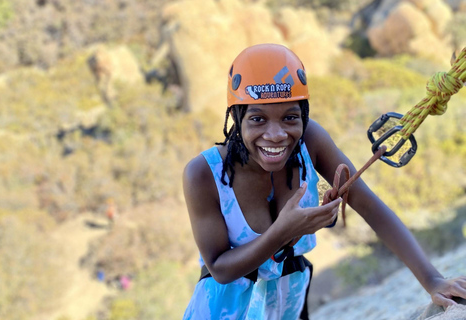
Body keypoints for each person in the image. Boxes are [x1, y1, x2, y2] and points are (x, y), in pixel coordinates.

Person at [182, 44, 466, 320]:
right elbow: (219, 269)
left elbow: (369, 206)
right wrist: (282, 232)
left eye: (290, 117)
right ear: (235, 116)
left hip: (288, 303)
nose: (276, 134)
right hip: (223, 309)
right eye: (257, 119)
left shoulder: (310, 140)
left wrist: (433, 280)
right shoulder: (204, 174)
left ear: (303, 114)